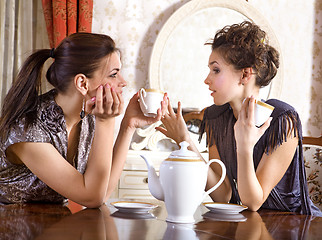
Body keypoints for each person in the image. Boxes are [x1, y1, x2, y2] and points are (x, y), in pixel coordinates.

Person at [157, 21, 322, 216]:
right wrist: (185, 140)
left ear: (245, 74)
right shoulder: (215, 118)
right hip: (246, 226)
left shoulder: (283, 121)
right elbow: (222, 194)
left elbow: (253, 202)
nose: (206, 79)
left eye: (216, 70)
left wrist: (245, 146)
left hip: (293, 226)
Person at [0, 32, 166, 208]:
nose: (123, 82)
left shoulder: (87, 118)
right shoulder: (29, 129)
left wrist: (128, 125)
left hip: (52, 226)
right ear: (82, 84)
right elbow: (92, 198)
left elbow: (102, 192)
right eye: (114, 74)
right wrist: (106, 121)